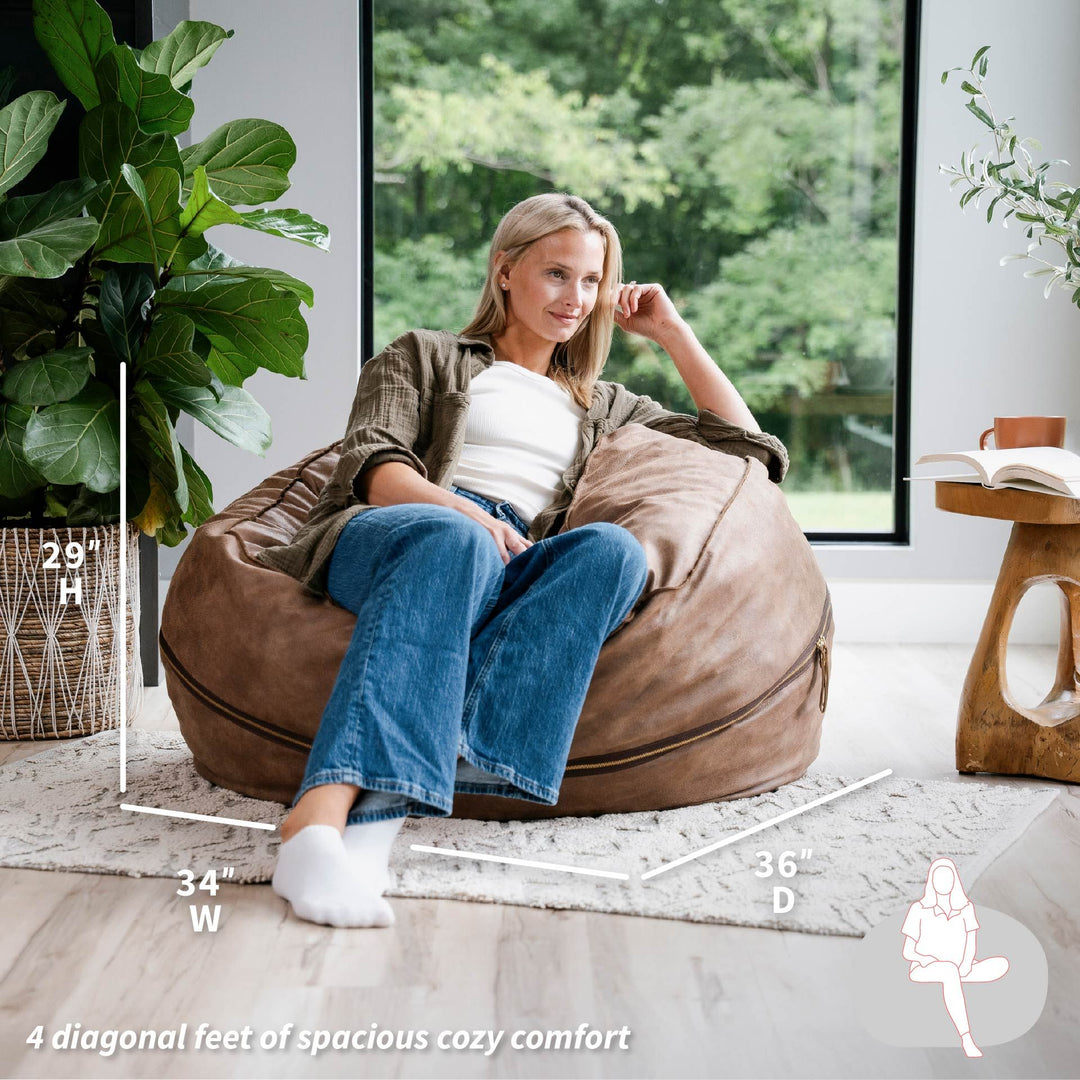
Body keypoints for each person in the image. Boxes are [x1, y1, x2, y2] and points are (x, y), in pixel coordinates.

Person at [258, 192, 788, 928]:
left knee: (612, 550)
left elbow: (752, 453)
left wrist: (673, 333)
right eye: (556, 274)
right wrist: (467, 514)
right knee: (455, 541)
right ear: (505, 270)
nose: (577, 298)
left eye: (592, 281)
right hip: (402, 531)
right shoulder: (427, 353)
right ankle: (323, 827)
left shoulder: (604, 405)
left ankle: (460, 761)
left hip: (509, 561)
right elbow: (376, 465)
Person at [902, 857, 1009, 1057]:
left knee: (1001, 964)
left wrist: (966, 963)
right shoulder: (920, 910)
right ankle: (966, 1037)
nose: (944, 883)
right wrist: (928, 959)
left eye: (948, 878)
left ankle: (957, 978)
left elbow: (971, 941)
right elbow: (908, 951)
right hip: (926, 966)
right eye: (939, 879)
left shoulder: (965, 910)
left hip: (959, 965)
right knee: (948, 971)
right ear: (932, 881)